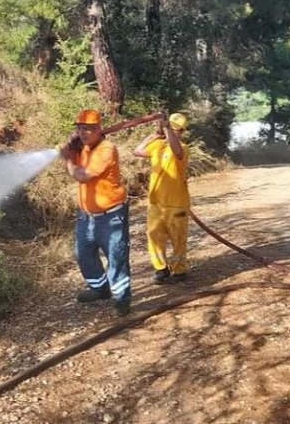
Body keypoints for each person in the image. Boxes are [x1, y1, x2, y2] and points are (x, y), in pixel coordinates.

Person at [57, 108, 132, 317]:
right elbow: (68, 152)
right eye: (80, 128)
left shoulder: (106, 149)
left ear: (99, 129)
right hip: (86, 216)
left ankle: (122, 299)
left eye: (88, 129)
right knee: (83, 254)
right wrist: (69, 146)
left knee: (116, 257)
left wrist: (68, 159)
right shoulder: (84, 148)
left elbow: (82, 175)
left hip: (111, 216)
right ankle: (100, 289)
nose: (83, 132)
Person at [133, 112, 191, 284]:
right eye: (168, 128)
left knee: (178, 239)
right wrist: (152, 136)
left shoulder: (183, 149)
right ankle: (161, 268)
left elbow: (177, 151)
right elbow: (137, 151)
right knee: (154, 236)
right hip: (156, 203)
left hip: (176, 204)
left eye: (173, 130)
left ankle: (179, 271)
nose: (169, 132)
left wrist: (166, 128)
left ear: (180, 131)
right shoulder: (157, 145)